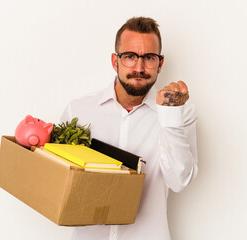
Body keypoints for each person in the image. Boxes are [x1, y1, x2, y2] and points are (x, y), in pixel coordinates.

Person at [61, 16, 198, 240]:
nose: (139, 67)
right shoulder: (78, 111)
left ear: (160, 64)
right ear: (115, 61)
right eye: (130, 57)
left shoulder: (181, 113)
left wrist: (170, 115)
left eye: (149, 58)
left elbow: (179, 181)